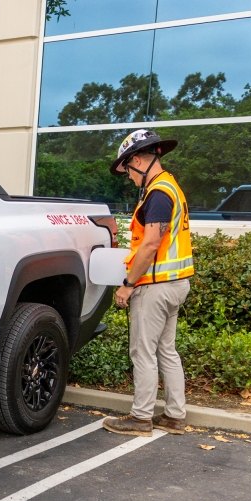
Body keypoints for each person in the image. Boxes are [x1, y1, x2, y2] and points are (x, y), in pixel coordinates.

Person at [103, 129, 195, 437]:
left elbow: (150, 244)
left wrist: (128, 284)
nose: (128, 177)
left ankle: (141, 418)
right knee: (166, 350)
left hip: (154, 286)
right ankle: (174, 415)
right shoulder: (172, 188)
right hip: (176, 284)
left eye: (127, 170)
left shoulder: (157, 194)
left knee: (142, 352)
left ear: (140, 160)